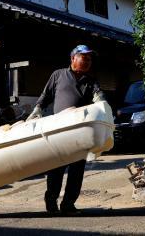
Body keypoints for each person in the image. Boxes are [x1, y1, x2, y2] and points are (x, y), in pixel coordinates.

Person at [26, 44, 106, 215]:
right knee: (56, 169)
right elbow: (45, 96)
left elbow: (99, 97)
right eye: (84, 58)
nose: (87, 61)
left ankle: (68, 204)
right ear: (73, 58)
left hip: (81, 133)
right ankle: (51, 202)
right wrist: (37, 110)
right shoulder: (58, 75)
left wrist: (102, 101)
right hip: (59, 132)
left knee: (77, 171)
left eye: (89, 59)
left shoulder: (90, 81)